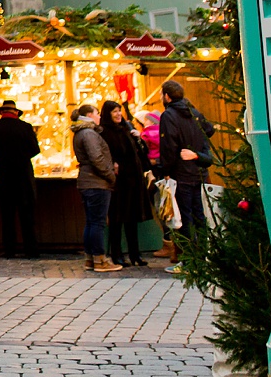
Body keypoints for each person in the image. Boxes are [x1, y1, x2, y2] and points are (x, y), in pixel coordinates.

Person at [158, 81, 214, 270]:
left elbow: (169, 146)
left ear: (167, 96)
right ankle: (203, 258)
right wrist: (198, 148)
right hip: (198, 172)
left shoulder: (169, 115)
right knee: (199, 216)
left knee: (183, 217)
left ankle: (188, 260)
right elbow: (210, 129)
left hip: (180, 173)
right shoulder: (194, 113)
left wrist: (166, 171)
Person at [0, 99, 40, 259]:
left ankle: (9, 249)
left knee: (7, 216)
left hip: (5, 176)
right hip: (24, 177)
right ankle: (31, 249)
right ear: (16, 112)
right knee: (27, 215)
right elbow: (35, 149)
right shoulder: (26, 128)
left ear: (2, 112)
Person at [100, 100, 153, 267]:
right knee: (117, 219)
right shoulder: (105, 132)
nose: (118, 115)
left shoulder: (126, 129)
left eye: (119, 111)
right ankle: (117, 254)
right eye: (114, 111)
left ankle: (135, 254)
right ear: (107, 113)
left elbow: (142, 151)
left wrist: (139, 138)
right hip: (118, 182)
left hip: (133, 180)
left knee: (132, 218)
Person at [71, 104, 121, 272]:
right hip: (96, 182)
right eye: (97, 113)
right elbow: (96, 158)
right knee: (98, 222)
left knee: (91, 222)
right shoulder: (89, 134)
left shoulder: (81, 132)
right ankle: (100, 260)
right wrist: (110, 175)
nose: (99, 116)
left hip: (87, 181)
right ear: (90, 115)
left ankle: (90, 258)